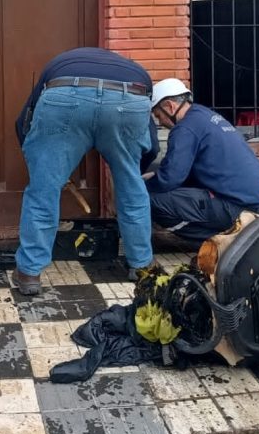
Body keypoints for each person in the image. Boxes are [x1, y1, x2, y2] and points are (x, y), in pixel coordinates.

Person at [11, 48, 160, 296]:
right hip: (129, 98)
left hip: (66, 94)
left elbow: (23, 121)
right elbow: (151, 142)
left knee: (42, 193)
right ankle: (141, 265)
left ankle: (29, 273)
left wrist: (41, 166)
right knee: (132, 190)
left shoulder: (56, 63)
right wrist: (135, 172)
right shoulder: (136, 70)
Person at [146, 78, 259, 246]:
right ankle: (230, 235)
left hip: (242, 209)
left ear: (170, 106)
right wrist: (157, 175)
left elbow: (170, 179)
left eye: (158, 116)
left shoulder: (185, 128)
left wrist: (144, 186)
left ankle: (220, 241)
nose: (161, 123)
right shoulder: (204, 115)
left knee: (149, 198)